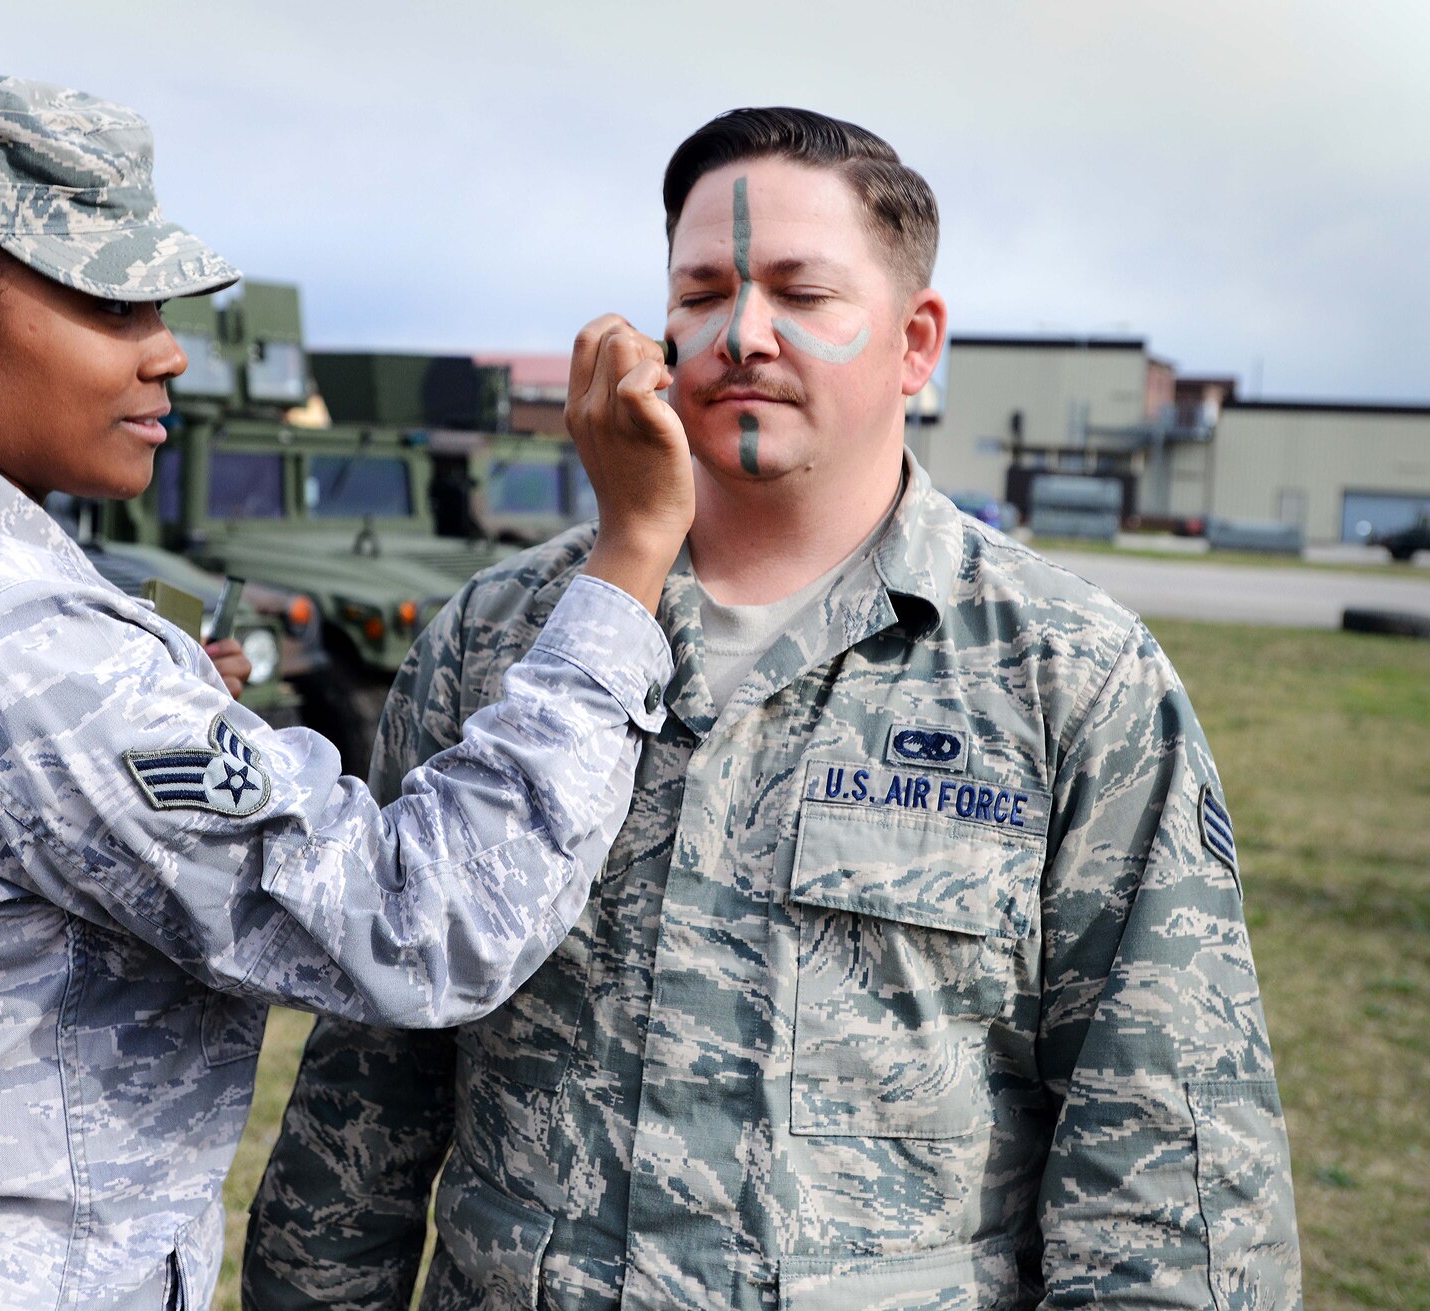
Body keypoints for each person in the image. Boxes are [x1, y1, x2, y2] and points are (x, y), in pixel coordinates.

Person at [0, 52, 696, 1311]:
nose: (167, 354)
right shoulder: (2, 638)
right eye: (114, 309)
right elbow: (421, 921)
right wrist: (626, 560)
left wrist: (154, 705)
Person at [246, 108, 1300, 1310]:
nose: (741, 334)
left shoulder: (1070, 679)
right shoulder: (502, 642)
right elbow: (367, 1095)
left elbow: (1163, 1148)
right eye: (701, 291)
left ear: (915, 343)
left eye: (801, 291)